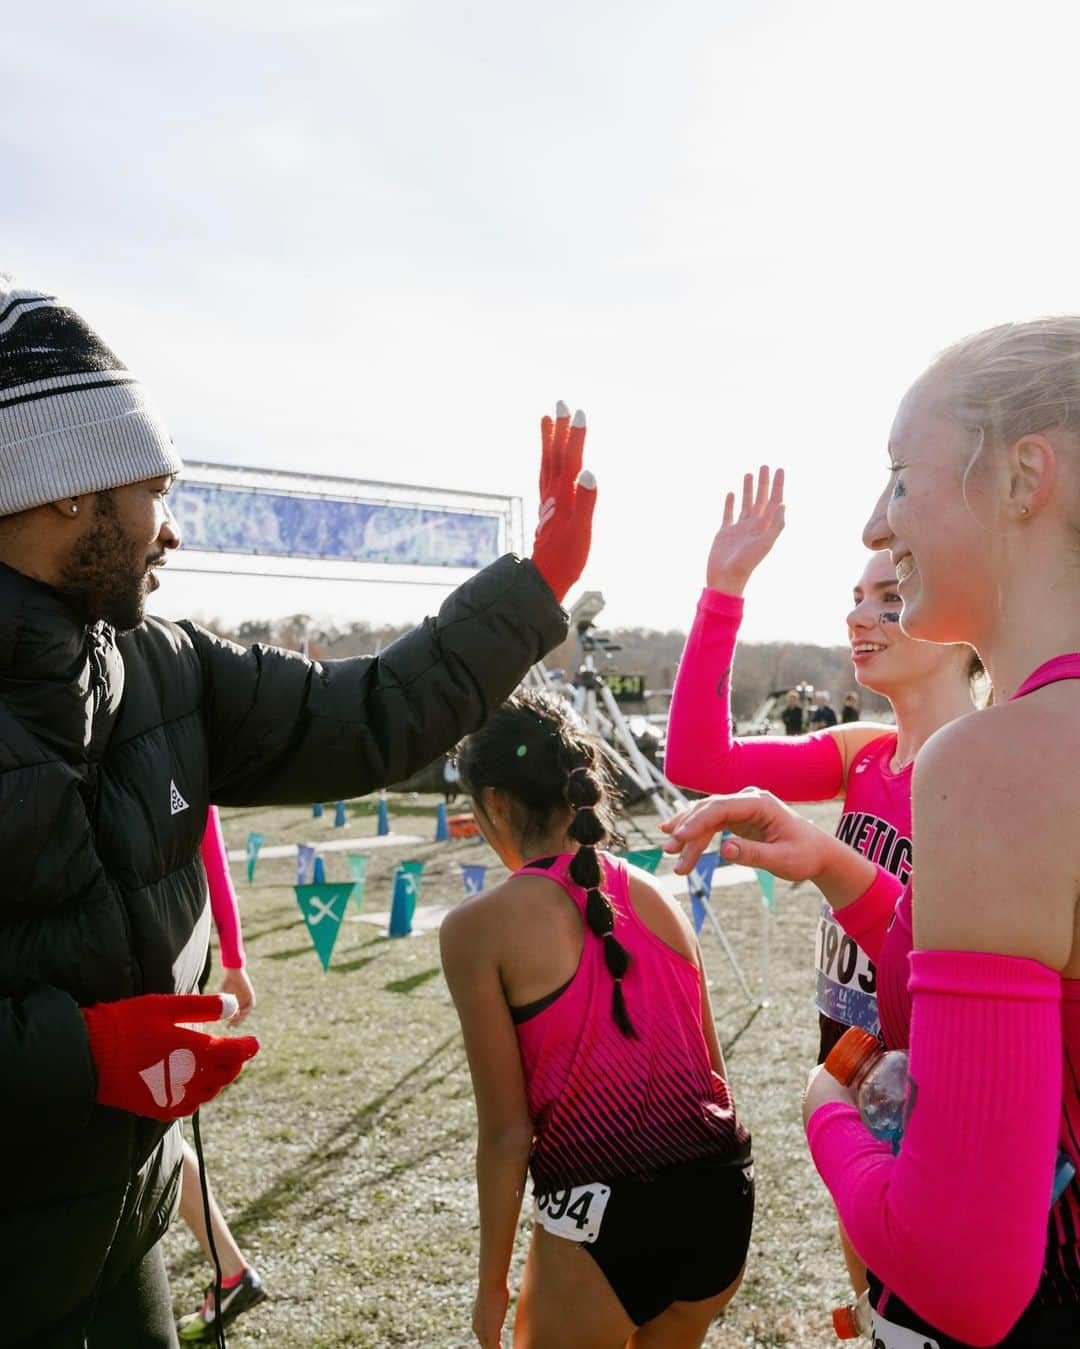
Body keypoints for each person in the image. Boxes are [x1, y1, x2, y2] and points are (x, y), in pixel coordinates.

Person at [0, 276, 594, 1347]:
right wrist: (77, 1055)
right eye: (155, 487)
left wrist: (530, 591)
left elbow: (361, 713)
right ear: (66, 491)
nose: (169, 531)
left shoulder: (164, 668)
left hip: (124, 1229)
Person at [664, 320, 1080, 1346]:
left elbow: (967, 1274)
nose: (869, 526)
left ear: (1025, 477)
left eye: (899, 477)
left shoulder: (999, 759)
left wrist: (821, 1103)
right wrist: (841, 866)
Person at [663, 464, 977, 1306]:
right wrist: (724, 588)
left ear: (957, 621)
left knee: (932, 1292)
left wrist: (834, 866)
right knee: (870, 1275)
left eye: (888, 595)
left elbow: (948, 951)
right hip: (847, 1052)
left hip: (943, 1071)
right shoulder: (862, 751)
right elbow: (696, 759)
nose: (858, 614)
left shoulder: (988, 763)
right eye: (856, 595)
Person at [441, 689, 753, 1349]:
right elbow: (713, 1075)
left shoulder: (477, 927)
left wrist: (490, 1283)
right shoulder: (657, 895)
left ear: (493, 801)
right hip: (723, 1200)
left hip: (614, 1212)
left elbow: (506, 1134)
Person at [175, 807, 265, 1342]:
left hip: (158, 964)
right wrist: (234, 958)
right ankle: (231, 1271)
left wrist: (235, 958)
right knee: (158, 1132)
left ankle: (232, 1271)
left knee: (157, 1135)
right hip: (167, 959)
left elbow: (213, 856)